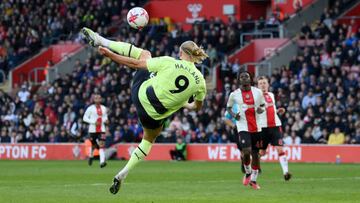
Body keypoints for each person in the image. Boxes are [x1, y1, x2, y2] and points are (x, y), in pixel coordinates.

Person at [81, 27, 208, 194]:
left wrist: (111, 55)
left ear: (181, 52)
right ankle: (122, 173)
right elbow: (196, 107)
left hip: (141, 95)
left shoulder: (170, 61)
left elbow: (135, 64)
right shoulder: (201, 83)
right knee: (148, 140)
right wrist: (185, 103)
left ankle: (101, 40)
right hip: (153, 117)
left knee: (145, 54)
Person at [226, 70, 265, 190]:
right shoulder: (234, 94)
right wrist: (233, 115)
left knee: (256, 155)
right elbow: (228, 108)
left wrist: (260, 110)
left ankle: (253, 180)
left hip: (257, 127)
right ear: (238, 80)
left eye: (246, 76)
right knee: (246, 151)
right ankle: (247, 172)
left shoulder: (258, 92)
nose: (244, 78)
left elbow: (263, 105)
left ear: (250, 79)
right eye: (241, 77)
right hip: (242, 126)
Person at [256, 76, 292, 181]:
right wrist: (262, 108)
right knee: (262, 152)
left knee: (280, 149)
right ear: (258, 86)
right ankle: (254, 166)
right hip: (263, 128)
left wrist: (277, 111)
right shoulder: (256, 97)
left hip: (275, 126)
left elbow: (271, 109)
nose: (263, 85)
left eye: (264, 83)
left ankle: (286, 172)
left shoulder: (271, 95)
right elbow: (257, 112)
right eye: (260, 83)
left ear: (268, 84)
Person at [83, 93, 109, 168]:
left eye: (99, 98)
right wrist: (94, 122)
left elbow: (104, 117)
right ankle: (91, 155)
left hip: (102, 129)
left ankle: (102, 162)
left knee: (101, 144)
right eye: (96, 98)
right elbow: (85, 118)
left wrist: (106, 120)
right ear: (94, 100)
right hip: (92, 130)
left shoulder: (104, 108)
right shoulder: (90, 108)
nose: (98, 99)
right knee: (94, 145)